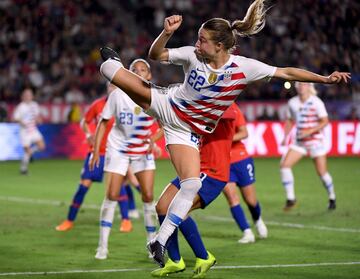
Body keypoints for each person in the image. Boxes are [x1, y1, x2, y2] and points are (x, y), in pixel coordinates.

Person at [98, 0, 350, 266]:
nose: (197, 44)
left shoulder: (243, 68)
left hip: (184, 131)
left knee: (192, 184)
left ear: (219, 46)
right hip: (166, 103)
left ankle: (159, 240)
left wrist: (324, 79)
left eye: (202, 40)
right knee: (107, 69)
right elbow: (156, 55)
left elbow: (285, 71)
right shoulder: (192, 55)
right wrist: (167, 33)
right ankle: (116, 63)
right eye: (197, 39)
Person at [151, 104, 237, 278]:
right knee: (162, 206)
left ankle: (204, 257)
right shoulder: (199, 100)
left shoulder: (227, 104)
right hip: (194, 170)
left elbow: (211, 117)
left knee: (179, 210)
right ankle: (175, 261)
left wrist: (175, 112)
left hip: (213, 172)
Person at [90, 59, 163, 260]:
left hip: (142, 151)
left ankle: (152, 245)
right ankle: (102, 246)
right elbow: (103, 123)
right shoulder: (116, 95)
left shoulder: (155, 95)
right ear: (128, 74)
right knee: (112, 194)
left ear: (149, 75)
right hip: (118, 148)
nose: (138, 72)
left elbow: (165, 124)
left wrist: (152, 140)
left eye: (143, 69)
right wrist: (96, 151)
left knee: (148, 195)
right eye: (134, 69)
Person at [55, 84, 133, 232]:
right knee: (83, 186)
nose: (113, 88)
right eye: (111, 85)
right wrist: (88, 135)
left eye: (116, 86)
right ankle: (69, 220)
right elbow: (84, 121)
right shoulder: (98, 105)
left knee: (119, 187)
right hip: (97, 152)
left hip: (116, 152)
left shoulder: (125, 105)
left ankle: (126, 221)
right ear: (107, 88)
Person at [280, 82, 336, 211]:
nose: (301, 86)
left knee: (322, 172)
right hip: (300, 142)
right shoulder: (292, 102)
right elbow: (290, 120)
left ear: (309, 87)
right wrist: (285, 136)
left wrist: (310, 131)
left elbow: (325, 121)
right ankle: (291, 198)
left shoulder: (316, 102)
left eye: (304, 84)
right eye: (299, 84)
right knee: (284, 166)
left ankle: (332, 197)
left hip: (316, 142)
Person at [222, 105, 267, 244]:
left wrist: (225, 141)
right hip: (222, 162)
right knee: (232, 198)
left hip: (240, 159)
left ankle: (257, 219)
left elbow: (244, 133)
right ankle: (247, 232)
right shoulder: (207, 108)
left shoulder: (233, 108)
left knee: (251, 200)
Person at [13, 88, 46, 174]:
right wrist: (22, 122)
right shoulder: (20, 107)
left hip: (33, 129)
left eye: (29, 95)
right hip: (24, 132)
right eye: (26, 95)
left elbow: (37, 115)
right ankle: (23, 169)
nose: (28, 96)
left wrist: (39, 119)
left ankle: (30, 154)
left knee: (42, 146)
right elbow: (15, 118)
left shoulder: (35, 105)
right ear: (23, 96)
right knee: (26, 151)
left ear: (32, 96)